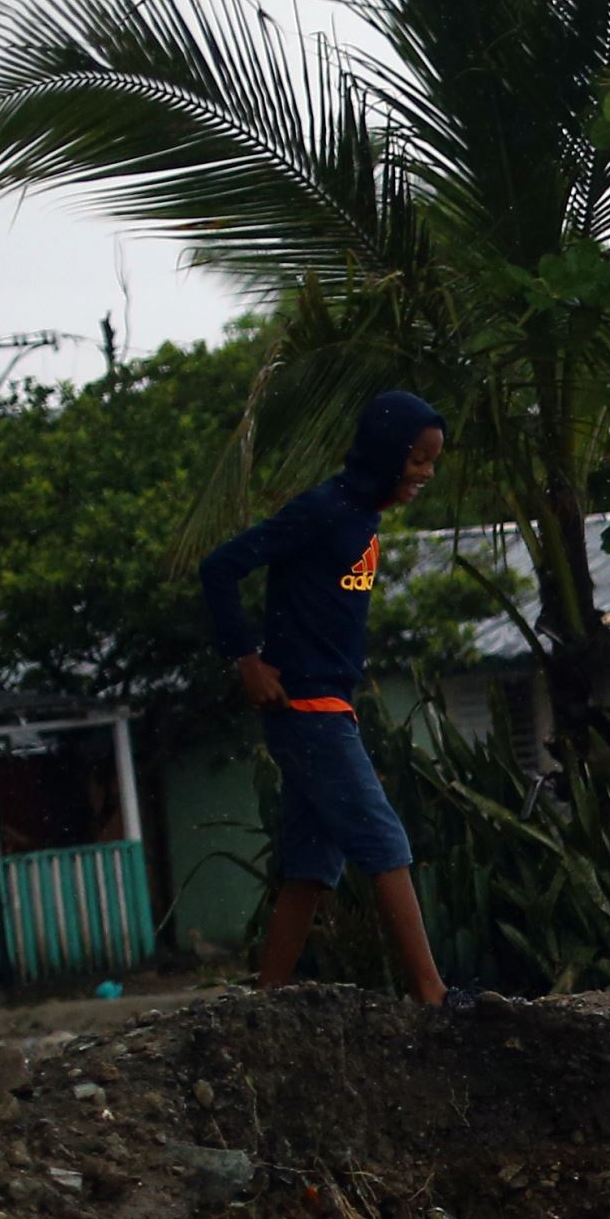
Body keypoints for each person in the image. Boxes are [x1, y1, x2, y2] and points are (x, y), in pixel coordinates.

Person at [202, 389, 454, 1002]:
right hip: (306, 706)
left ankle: (267, 998)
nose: (425, 473)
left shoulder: (361, 516)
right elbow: (220, 567)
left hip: (330, 703)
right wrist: (248, 660)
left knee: (312, 865)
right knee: (384, 840)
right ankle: (431, 992)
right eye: (418, 459)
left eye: (431, 462)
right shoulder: (323, 509)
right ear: (386, 453)